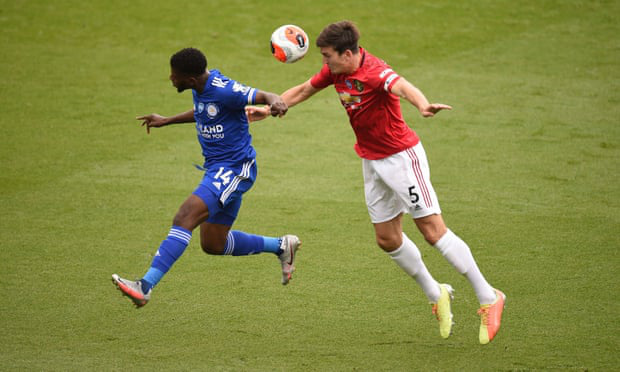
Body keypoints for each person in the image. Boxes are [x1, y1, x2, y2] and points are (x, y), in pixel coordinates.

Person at [247, 21, 505, 345]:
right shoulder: (336, 71)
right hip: (372, 160)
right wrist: (269, 110)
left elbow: (403, 86)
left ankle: (488, 296)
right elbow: (302, 90)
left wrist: (422, 104)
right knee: (387, 238)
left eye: (328, 56)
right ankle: (435, 292)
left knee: (432, 231)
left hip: (402, 159)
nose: (324, 62)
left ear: (349, 53)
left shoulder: (375, 71)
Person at [112, 47, 301, 308]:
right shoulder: (200, 88)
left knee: (184, 216)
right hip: (217, 168)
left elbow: (262, 95)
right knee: (213, 243)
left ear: (189, 79)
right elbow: (205, 111)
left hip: (234, 169)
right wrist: (166, 120)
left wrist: (275, 101)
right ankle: (281, 246)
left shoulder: (225, 89)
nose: (171, 79)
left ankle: (145, 285)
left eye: (174, 76)